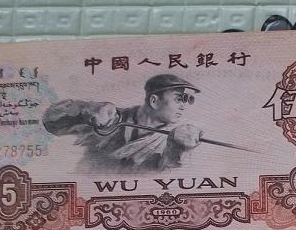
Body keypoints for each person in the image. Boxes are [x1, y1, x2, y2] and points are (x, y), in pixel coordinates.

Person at [43, 74, 203, 173]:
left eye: (188, 100)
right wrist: (83, 109)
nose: (184, 106)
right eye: (179, 99)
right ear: (154, 101)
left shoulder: (178, 139)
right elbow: (51, 123)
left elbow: (165, 177)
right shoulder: (108, 118)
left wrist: (178, 149)